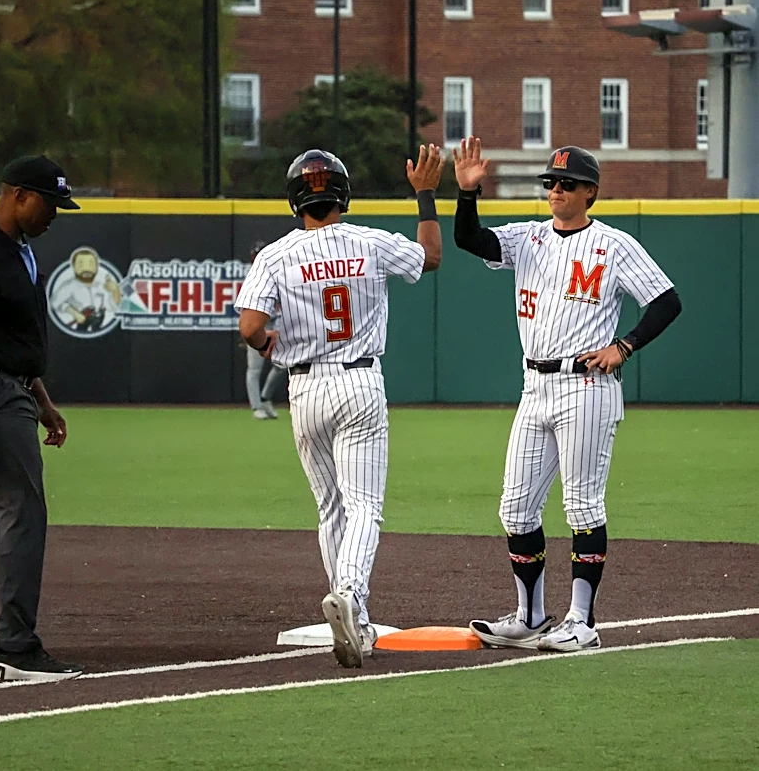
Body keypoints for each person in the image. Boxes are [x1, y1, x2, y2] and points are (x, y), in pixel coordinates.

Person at [453, 138, 681, 652]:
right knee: (515, 509)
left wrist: (625, 344)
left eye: (567, 183)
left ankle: (582, 621)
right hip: (534, 386)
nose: (556, 189)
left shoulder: (614, 245)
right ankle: (530, 617)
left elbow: (667, 300)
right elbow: (471, 240)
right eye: (550, 182)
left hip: (586, 386)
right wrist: (468, 194)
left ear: (590, 192)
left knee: (581, 505)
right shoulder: (529, 237)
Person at [235, 145, 444, 667]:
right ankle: (349, 596)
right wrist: (424, 194)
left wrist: (270, 348)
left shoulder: (275, 254)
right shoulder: (368, 241)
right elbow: (432, 257)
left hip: (304, 389)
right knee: (364, 506)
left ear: (295, 199)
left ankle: (353, 615)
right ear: (343, 193)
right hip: (359, 383)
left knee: (330, 507)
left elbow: (249, 327)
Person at [0, 155, 84, 682]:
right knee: (21, 513)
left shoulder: (21, 250)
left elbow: (12, 337)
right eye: (50, 203)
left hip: (13, 388)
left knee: (10, 516)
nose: (54, 215)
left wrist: (41, 399)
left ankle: (15, 641)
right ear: (18, 194)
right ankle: (15, 649)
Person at [243, 241, 287, 420]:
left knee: (282, 365)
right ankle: (256, 407)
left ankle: (265, 397)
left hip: (278, 324)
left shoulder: (279, 272)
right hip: (258, 325)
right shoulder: (251, 276)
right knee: (254, 369)